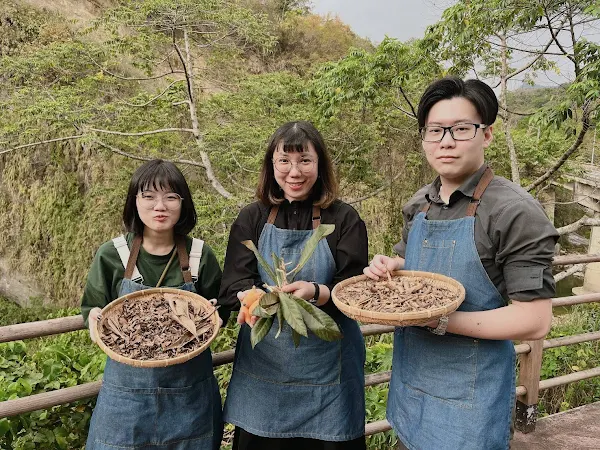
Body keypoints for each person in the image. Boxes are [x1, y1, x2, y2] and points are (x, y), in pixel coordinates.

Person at [364, 77, 558, 450]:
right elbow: (412, 262)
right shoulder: (420, 202)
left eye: (461, 129)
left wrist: (438, 319)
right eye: (435, 130)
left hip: (471, 402)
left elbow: (534, 320)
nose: (446, 141)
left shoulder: (513, 211)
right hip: (412, 386)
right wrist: (391, 265)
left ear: (486, 134)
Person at [219, 121, 368, 450]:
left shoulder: (343, 219)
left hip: (328, 369)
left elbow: (355, 287)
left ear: (320, 165)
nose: (294, 172)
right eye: (284, 161)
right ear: (271, 166)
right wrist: (252, 296)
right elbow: (232, 284)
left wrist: (316, 292)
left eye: (305, 161)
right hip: (266, 367)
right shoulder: (252, 217)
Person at [81, 159, 224, 450]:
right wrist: (94, 317)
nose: (160, 206)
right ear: (134, 201)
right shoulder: (113, 255)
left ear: (183, 203)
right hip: (126, 400)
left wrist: (214, 312)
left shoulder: (199, 255)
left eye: (171, 197)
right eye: (149, 196)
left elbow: (222, 307)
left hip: (189, 398)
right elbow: (93, 307)